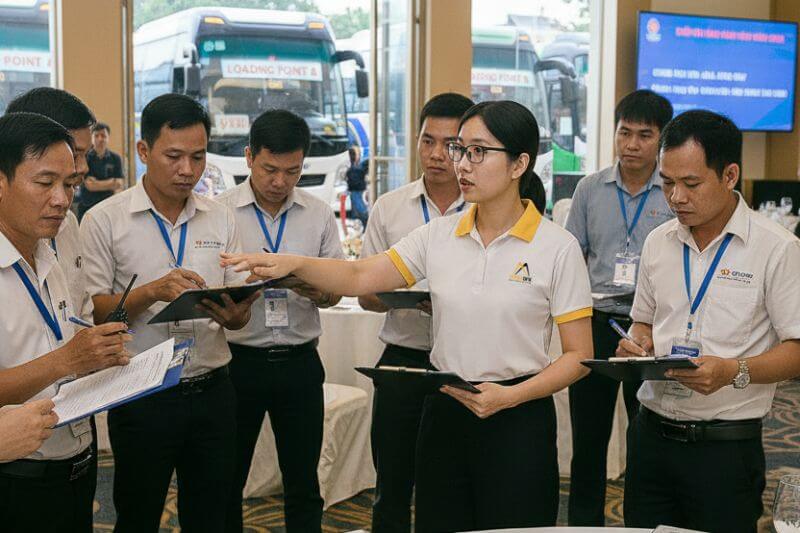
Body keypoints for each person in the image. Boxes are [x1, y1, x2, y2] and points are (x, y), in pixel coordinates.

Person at [222, 100, 593, 532]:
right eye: (461, 150)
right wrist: (293, 263)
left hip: (518, 415)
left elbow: (578, 355)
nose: (462, 165)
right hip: (446, 407)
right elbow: (361, 274)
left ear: (518, 164)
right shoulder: (440, 235)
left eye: (478, 152)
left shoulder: (556, 247)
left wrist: (511, 397)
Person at [616, 110, 800, 532]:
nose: (676, 196)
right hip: (650, 441)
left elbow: (797, 349)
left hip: (725, 450)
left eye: (691, 183)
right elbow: (642, 321)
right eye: (666, 182)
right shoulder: (658, 242)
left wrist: (734, 371)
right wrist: (637, 343)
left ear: (730, 174)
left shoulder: (776, 249)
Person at [81, 94, 257, 532]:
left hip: (214, 389)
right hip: (142, 394)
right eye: (174, 156)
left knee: (212, 515)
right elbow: (97, 312)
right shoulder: (106, 220)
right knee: (138, 513)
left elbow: (235, 305)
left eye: (198, 157)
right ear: (144, 152)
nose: (188, 170)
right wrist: (151, 292)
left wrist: (236, 316)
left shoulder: (220, 218)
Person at [0, 112, 130, 532]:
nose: (61, 199)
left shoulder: (47, 253)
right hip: (15, 475)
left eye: (69, 184)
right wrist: (67, 360)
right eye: (44, 183)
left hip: (72, 462)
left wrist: (91, 357)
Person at [218, 109, 343, 532]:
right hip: (237, 363)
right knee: (226, 480)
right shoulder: (219, 212)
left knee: (303, 481)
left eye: (292, 171)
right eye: (270, 169)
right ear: (249, 156)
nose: (280, 181)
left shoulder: (318, 213)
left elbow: (336, 289)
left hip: (300, 363)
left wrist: (316, 287)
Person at [357, 91, 473, 533]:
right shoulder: (390, 207)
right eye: (428, 141)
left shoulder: (484, 207)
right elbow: (366, 295)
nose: (437, 155)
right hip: (403, 359)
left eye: (451, 144)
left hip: (462, 363)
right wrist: (401, 293)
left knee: (449, 486)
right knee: (393, 482)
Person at [564, 89, 674, 526]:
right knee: (587, 437)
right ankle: (584, 525)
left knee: (644, 432)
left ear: (662, 140)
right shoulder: (590, 189)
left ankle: (640, 524)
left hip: (650, 326)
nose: (631, 144)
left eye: (644, 135)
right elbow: (571, 257)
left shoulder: (673, 191)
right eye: (624, 132)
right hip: (596, 322)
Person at [7, 87, 97, 319]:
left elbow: (82, 309)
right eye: (75, 153)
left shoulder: (68, 223)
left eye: (87, 154)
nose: (84, 167)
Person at [77, 122, 124, 221]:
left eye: (103, 136)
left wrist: (97, 183)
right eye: (96, 136)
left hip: (109, 207)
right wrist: (111, 182)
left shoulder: (116, 158)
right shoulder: (85, 157)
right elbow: (89, 185)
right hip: (87, 207)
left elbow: (119, 183)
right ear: (92, 138)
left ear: (108, 138)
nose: (100, 139)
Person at [346, 146, 369, 226]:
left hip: (355, 191)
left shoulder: (354, 168)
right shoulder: (357, 169)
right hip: (357, 191)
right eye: (358, 154)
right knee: (361, 209)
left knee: (358, 209)